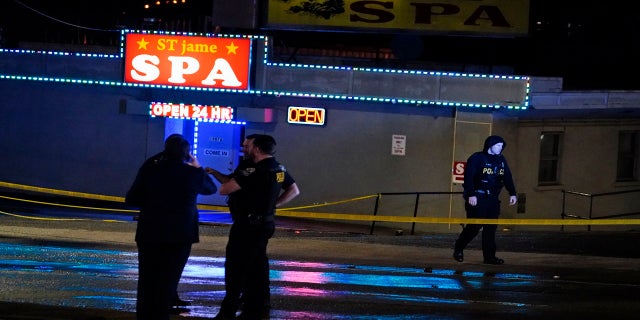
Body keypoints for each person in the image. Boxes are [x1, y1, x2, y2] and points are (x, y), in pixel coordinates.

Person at [125, 134, 218, 320]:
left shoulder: (151, 170)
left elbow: (132, 198)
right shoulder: (192, 174)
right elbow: (211, 188)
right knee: (168, 280)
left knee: (147, 281)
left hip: (150, 231)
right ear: (187, 154)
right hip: (180, 234)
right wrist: (198, 167)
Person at [209, 134, 300, 320]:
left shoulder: (253, 170)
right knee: (258, 264)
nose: (244, 149)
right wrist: (274, 205)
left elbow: (224, 189)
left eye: (247, 146)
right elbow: (294, 190)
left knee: (236, 266)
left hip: (247, 225)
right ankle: (258, 303)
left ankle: (228, 309)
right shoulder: (278, 168)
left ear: (257, 149)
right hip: (266, 223)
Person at [453, 135, 517, 265]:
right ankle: (459, 248)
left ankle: (489, 257)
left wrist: (512, 193)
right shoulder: (477, 158)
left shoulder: (501, 160)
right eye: (498, 146)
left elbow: (507, 177)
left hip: (492, 199)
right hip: (477, 197)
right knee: (474, 226)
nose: (500, 148)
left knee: (490, 228)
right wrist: (471, 194)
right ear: (490, 145)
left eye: (501, 146)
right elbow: (468, 177)